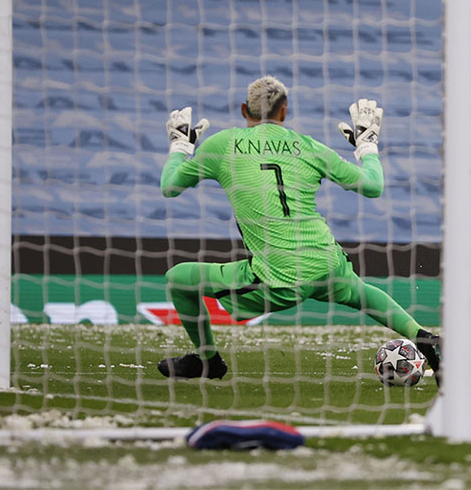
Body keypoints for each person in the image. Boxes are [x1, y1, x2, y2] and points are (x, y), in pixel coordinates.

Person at [157, 75, 441, 384]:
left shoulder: (222, 145)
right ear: (284, 111)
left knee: (179, 279)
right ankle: (423, 337)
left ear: (243, 110)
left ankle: (208, 360)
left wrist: (180, 146)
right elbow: (373, 186)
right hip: (326, 259)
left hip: (278, 274)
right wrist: (367, 146)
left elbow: (169, 187)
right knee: (359, 293)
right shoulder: (307, 145)